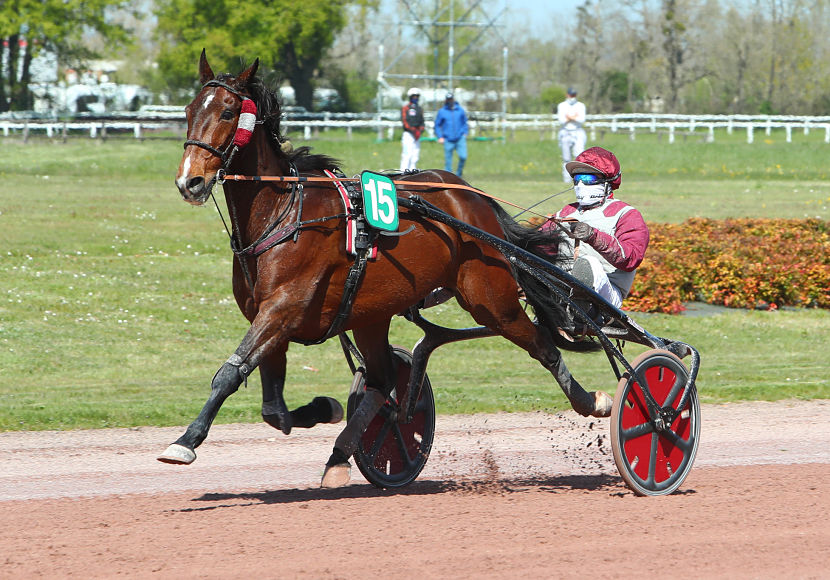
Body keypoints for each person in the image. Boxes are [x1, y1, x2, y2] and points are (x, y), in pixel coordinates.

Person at [539, 146, 649, 310]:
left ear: (607, 182)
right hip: (563, 284)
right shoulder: (566, 211)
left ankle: (582, 308)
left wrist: (593, 236)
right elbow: (540, 246)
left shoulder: (626, 215)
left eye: (588, 178)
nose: (581, 184)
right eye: (577, 179)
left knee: (588, 264)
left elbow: (631, 258)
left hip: (607, 292)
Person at [434, 92, 468, 178]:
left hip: (460, 138)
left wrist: (465, 133)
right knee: (448, 161)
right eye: (448, 99)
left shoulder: (460, 110)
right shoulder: (442, 111)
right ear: (446, 100)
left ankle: (459, 175)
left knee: (463, 156)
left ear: (453, 99)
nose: (450, 101)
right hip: (448, 139)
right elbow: (437, 125)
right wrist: (440, 136)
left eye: (451, 99)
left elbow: (464, 122)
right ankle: (448, 178)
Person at [556, 87, 587, 183]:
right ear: (567, 95)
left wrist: (569, 117)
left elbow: (582, 119)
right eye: (571, 95)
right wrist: (574, 117)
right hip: (565, 132)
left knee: (579, 157)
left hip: (577, 131)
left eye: (574, 95)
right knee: (566, 158)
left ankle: (579, 179)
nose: (572, 97)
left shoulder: (581, 106)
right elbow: (561, 120)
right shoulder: (562, 106)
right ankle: (566, 180)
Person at [400, 87, 425, 171]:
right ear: (410, 97)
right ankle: (403, 172)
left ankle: (412, 171)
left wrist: (420, 130)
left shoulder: (420, 109)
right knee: (407, 155)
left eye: (417, 96)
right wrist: (413, 130)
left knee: (415, 155)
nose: (416, 98)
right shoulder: (405, 108)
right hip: (408, 134)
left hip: (417, 135)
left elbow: (422, 121)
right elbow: (405, 121)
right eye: (414, 96)